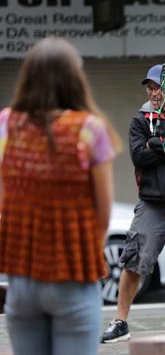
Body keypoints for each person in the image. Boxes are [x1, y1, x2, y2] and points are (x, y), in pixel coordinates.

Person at [0, 37, 120, 355]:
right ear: (74, 78)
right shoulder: (90, 129)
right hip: (73, 273)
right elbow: (103, 213)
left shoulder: (7, 124)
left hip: (22, 275)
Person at [101, 65, 165, 343]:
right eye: (149, 87)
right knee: (133, 261)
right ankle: (120, 322)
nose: (153, 92)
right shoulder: (139, 118)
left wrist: (154, 143)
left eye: (157, 86)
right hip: (152, 202)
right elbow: (138, 156)